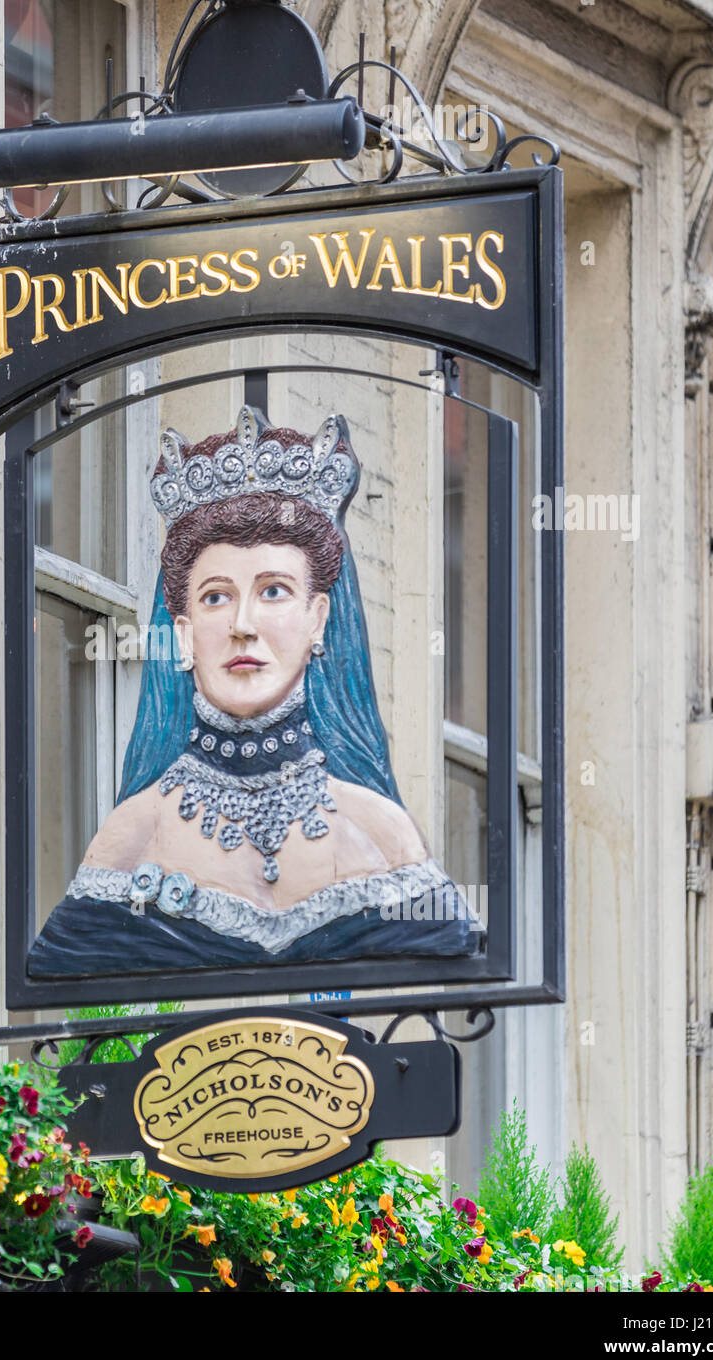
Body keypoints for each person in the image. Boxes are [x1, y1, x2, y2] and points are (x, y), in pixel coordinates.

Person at [28, 406, 477, 977]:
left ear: (318, 619)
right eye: (216, 597)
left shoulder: (379, 833)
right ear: (184, 633)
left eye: (273, 591)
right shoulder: (135, 835)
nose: (243, 623)